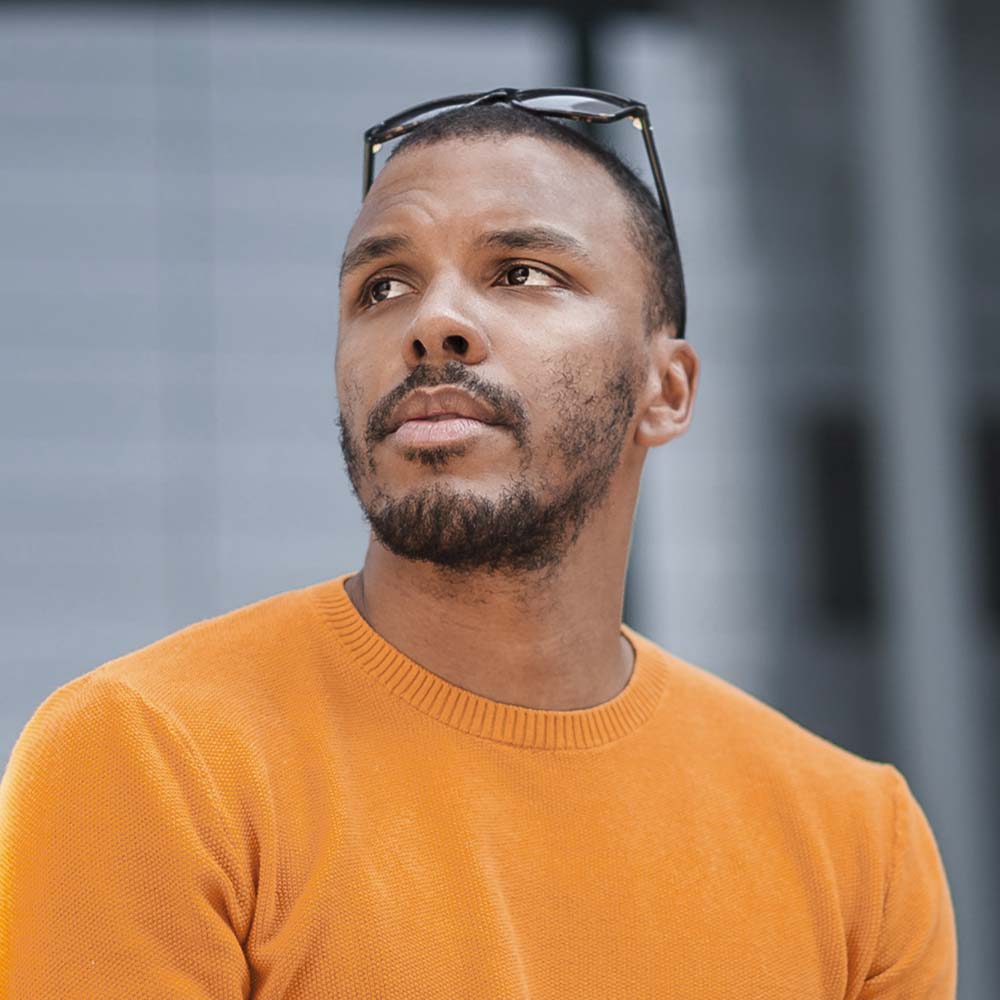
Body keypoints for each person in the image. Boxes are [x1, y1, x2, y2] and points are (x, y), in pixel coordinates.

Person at [0, 90, 956, 999]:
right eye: (382, 286)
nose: (432, 324)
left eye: (521, 273)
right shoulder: (148, 760)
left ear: (665, 391)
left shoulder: (858, 842)